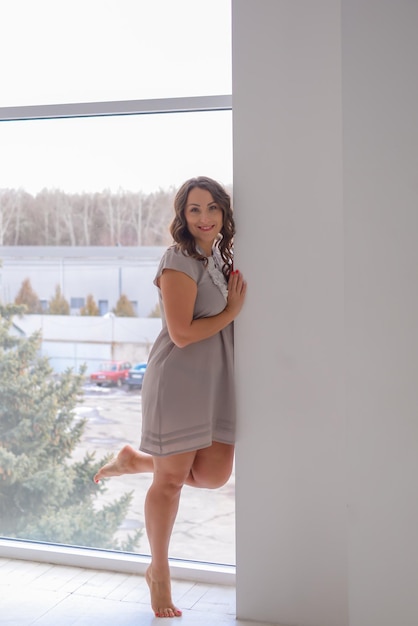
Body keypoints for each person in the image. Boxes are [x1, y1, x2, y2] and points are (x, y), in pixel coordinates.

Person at [94, 176, 247, 618]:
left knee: (216, 474)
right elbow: (181, 334)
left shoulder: (216, 257)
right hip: (178, 381)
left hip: (216, 382)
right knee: (171, 483)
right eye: (195, 209)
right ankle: (158, 572)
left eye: (213, 208)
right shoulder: (177, 259)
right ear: (182, 216)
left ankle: (135, 460)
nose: (205, 217)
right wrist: (234, 311)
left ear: (224, 214)